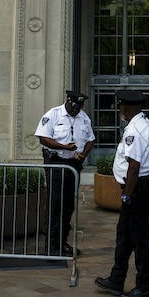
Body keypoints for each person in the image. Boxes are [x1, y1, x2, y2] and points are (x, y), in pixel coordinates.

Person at [95, 89, 149, 297]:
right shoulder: (143, 125)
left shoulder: (136, 129)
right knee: (124, 235)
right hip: (140, 187)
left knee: (139, 238)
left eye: (120, 106)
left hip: (137, 189)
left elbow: (134, 166)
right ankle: (117, 279)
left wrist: (127, 195)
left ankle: (144, 287)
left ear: (126, 107)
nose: (119, 110)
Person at [34, 90, 95, 257]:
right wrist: (65, 147)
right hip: (56, 163)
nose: (75, 110)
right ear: (68, 101)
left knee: (68, 206)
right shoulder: (53, 115)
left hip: (74, 164)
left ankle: (62, 243)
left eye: (78, 108)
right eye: (74, 107)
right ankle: (50, 246)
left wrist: (84, 155)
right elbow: (43, 138)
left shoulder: (84, 118)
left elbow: (91, 139)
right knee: (55, 205)